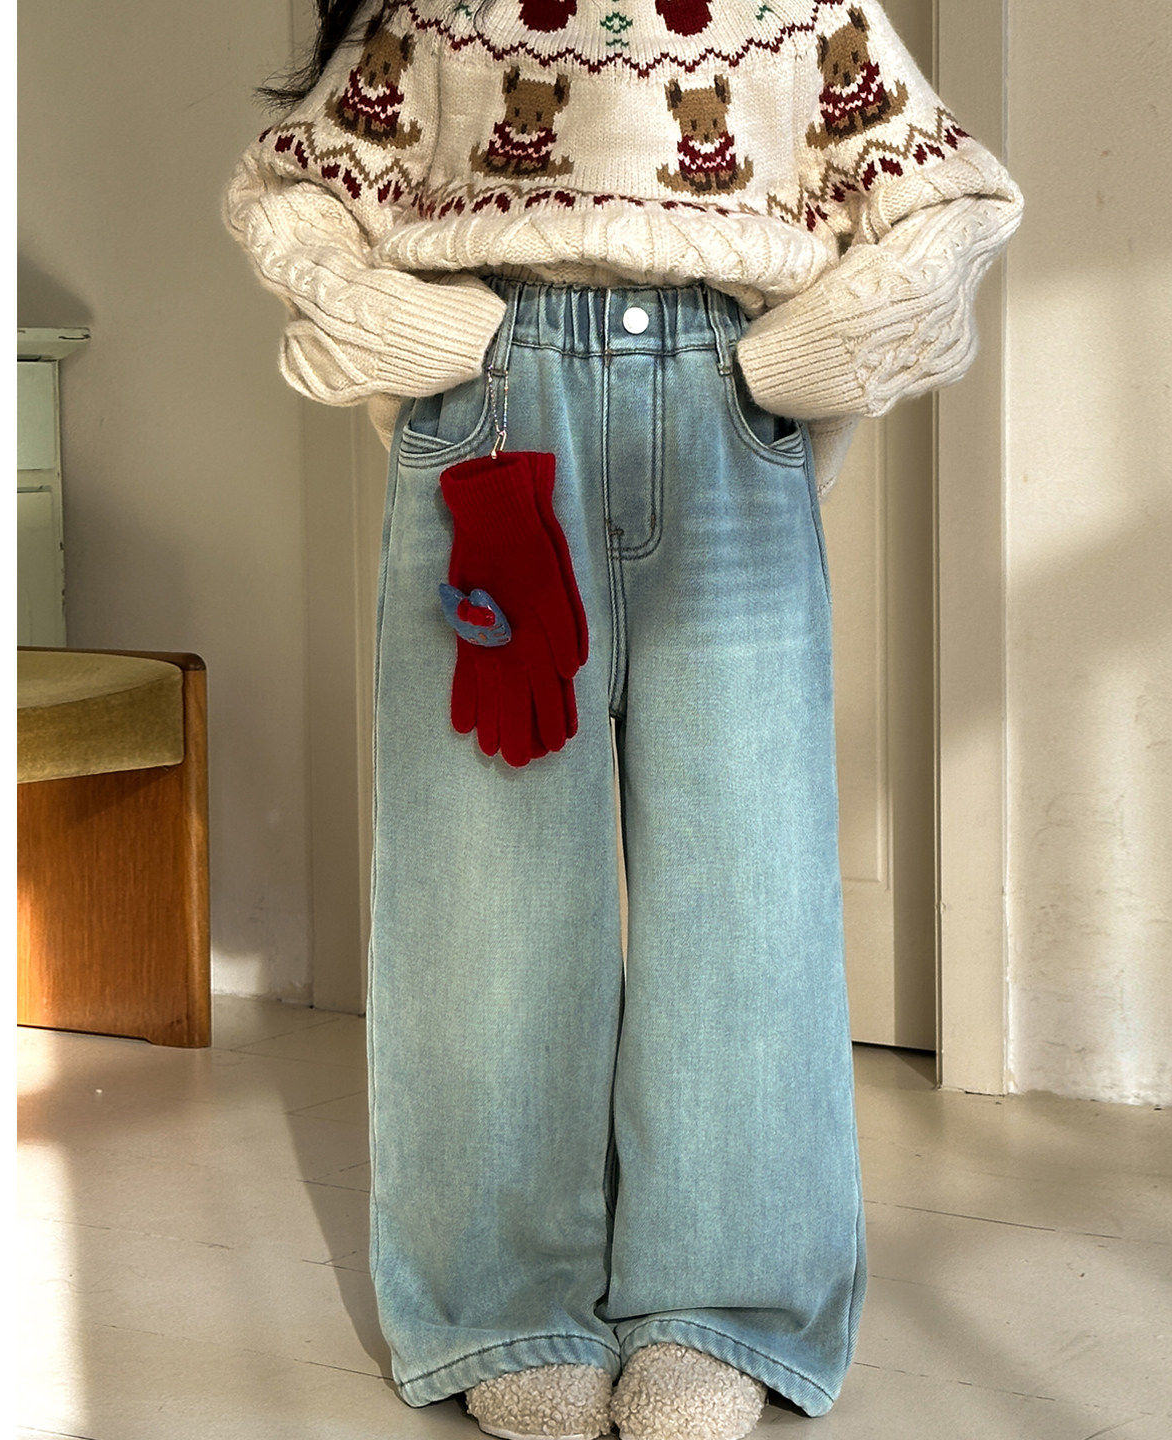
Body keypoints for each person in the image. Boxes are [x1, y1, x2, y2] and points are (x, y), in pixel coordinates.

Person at [224, 3, 1020, 1438]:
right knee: (484, 885)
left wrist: (798, 362)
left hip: (724, 416)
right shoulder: (437, 11)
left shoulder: (796, 12)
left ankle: (724, 1305)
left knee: (746, 876)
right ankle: (502, 1301)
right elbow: (291, 193)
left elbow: (952, 198)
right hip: (497, 424)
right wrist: (427, 334)